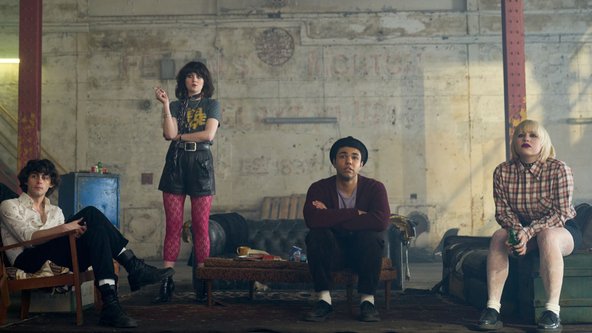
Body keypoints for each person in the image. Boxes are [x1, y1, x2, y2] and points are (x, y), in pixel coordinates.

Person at [0, 159, 174, 328]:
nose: (40, 181)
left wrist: (74, 235)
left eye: (45, 177)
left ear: (51, 184)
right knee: (90, 212)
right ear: (25, 180)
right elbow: (29, 239)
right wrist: (66, 228)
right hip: (27, 259)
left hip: (53, 255)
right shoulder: (10, 205)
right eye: (34, 176)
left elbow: (58, 244)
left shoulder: (56, 211)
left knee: (97, 233)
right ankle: (133, 265)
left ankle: (110, 304)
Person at [477, 120, 582, 332]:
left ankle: (552, 312)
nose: (526, 138)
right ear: (514, 142)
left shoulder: (559, 169)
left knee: (548, 237)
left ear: (543, 143)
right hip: (522, 228)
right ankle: (492, 309)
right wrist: (517, 235)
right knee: (499, 236)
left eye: (533, 135)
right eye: (520, 135)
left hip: (562, 228)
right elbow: (503, 212)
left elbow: (560, 214)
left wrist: (527, 233)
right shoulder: (502, 172)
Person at [302, 136, 390, 322]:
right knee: (317, 234)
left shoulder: (375, 188)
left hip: (362, 255)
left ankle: (367, 303)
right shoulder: (319, 188)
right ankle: (324, 302)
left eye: (354, 157)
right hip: (333, 254)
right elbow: (312, 219)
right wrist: (357, 213)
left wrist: (331, 216)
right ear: (334, 162)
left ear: (361, 164)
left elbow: (381, 222)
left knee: (371, 236)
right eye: (343, 156)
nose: (348, 161)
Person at [154, 61, 220, 303]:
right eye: (190, 76)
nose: (194, 80)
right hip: (175, 162)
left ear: (205, 82)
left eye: (199, 77)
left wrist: (180, 136)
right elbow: (167, 134)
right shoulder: (174, 105)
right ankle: (167, 281)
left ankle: (202, 281)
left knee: (201, 227)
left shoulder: (211, 104)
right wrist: (164, 106)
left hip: (201, 162)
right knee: (173, 226)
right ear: (183, 81)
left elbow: (208, 135)